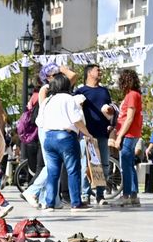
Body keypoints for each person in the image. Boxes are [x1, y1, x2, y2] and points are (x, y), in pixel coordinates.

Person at [36, 71, 90, 211]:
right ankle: (76, 202)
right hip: (66, 137)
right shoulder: (69, 99)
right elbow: (76, 119)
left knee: (52, 171)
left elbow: (39, 121)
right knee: (73, 170)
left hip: (49, 137)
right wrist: (87, 133)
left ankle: (49, 203)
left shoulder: (48, 100)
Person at [73, 65, 113, 205]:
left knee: (104, 165)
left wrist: (110, 112)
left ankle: (100, 195)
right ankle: (85, 194)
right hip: (86, 134)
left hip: (102, 133)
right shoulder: (80, 91)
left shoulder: (104, 91)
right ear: (89, 73)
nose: (100, 72)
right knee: (87, 165)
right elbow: (74, 111)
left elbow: (110, 110)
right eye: (98, 70)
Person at [109, 69, 144, 207]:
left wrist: (119, 136)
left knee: (125, 166)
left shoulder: (132, 95)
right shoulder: (134, 95)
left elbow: (129, 118)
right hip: (131, 133)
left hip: (128, 134)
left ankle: (126, 195)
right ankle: (134, 195)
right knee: (129, 165)